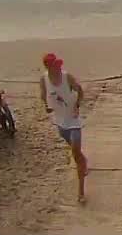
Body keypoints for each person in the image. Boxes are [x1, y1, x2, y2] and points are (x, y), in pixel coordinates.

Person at [41, 52, 88, 205]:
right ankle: (84, 161)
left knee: (75, 153)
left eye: (58, 65)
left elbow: (79, 90)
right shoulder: (44, 79)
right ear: (48, 67)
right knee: (77, 153)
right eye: (55, 65)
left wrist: (76, 106)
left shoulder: (67, 77)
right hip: (60, 122)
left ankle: (81, 191)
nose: (58, 68)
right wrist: (47, 107)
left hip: (73, 120)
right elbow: (43, 95)